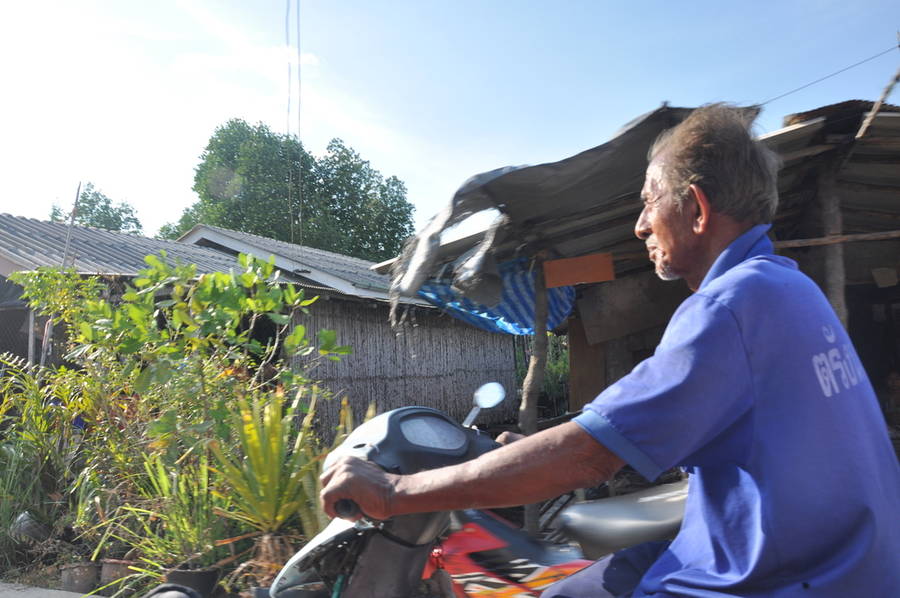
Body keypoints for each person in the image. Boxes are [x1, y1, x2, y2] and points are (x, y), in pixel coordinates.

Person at [320, 104, 900, 597]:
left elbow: (587, 459)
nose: (640, 226)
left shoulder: (726, 307)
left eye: (649, 202)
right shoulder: (790, 287)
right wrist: (551, 444)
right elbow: (657, 423)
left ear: (697, 209)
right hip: (847, 558)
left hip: (790, 576)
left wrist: (392, 493)